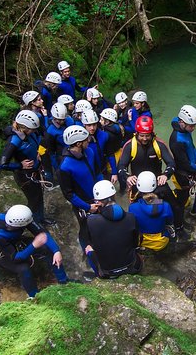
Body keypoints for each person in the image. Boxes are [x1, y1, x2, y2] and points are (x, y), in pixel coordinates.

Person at [118, 116, 188, 240]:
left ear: (152, 133)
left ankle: (178, 227)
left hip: (158, 183)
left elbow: (171, 163)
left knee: (175, 206)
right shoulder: (130, 146)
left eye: (147, 135)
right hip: (139, 185)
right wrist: (127, 177)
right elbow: (121, 166)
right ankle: (140, 233)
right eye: (142, 135)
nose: (145, 138)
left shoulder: (158, 144)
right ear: (136, 133)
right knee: (137, 210)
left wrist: (165, 175)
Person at [0, 204, 67, 298]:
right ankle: (34, 296)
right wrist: (34, 245)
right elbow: (16, 258)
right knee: (23, 268)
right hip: (3, 254)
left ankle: (64, 281)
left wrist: (56, 251)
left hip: (17, 242)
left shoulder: (24, 218)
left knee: (48, 248)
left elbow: (43, 234)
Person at [58, 125, 103, 271]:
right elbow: (68, 193)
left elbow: (97, 172)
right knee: (85, 229)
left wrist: (103, 193)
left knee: (100, 224)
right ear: (78, 143)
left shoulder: (89, 151)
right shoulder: (65, 166)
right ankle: (89, 256)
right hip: (83, 203)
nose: (89, 140)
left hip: (98, 196)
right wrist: (87, 207)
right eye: (86, 139)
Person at [0, 110, 53, 225]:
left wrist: (40, 152)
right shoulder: (14, 141)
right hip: (25, 176)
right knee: (34, 200)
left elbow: (40, 141)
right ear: (24, 127)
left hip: (35, 171)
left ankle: (40, 219)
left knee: (39, 197)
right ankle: (31, 223)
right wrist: (20, 165)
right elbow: (2, 164)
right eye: (32, 129)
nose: (34, 131)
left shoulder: (29, 134)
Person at [85, 180, 142, 278]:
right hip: (131, 267)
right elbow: (135, 243)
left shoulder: (91, 221)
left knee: (88, 249)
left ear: (98, 202)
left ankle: (98, 275)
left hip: (107, 272)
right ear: (114, 196)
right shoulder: (131, 217)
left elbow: (91, 241)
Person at [169, 105, 196, 217]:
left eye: (194, 125)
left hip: (192, 169)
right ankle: (179, 224)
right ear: (182, 122)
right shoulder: (176, 141)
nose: (193, 128)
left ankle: (195, 210)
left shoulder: (185, 131)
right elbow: (184, 163)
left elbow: (192, 147)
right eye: (191, 126)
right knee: (182, 201)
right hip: (183, 174)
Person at [128, 171, 174, 251]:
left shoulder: (133, 207)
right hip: (162, 241)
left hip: (142, 241)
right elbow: (170, 221)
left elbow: (133, 225)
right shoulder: (165, 205)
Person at [81, 109, 117, 184]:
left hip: (102, 170)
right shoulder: (79, 139)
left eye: (94, 124)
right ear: (84, 125)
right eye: (89, 125)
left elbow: (110, 153)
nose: (92, 128)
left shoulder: (104, 136)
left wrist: (114, 172)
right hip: (87, 174)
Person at [100, 108, 126, 189]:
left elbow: (110, 153)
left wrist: (114, 172)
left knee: (111, 176)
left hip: (114, 156)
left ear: (107, 122)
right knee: (121, 174)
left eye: (101, 119)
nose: (99, 121)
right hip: (120, 152)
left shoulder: (108, 134)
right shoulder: (117, 127)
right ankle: (123, 189)